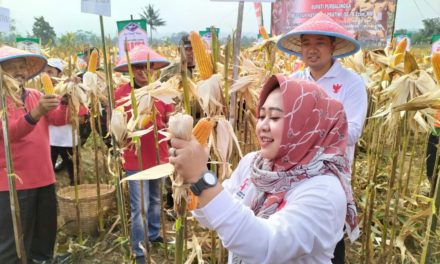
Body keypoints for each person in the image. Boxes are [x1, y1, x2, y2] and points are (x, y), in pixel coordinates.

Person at [169, 75, 358, 263]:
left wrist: (201, 177)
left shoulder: (325, 192)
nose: (262, 126)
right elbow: (213, 218)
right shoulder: (254, 164)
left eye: (275, 117)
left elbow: (264, 247)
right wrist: (191, 181)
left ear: (307, 124)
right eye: (261, 116)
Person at [277, 12, 368, 263]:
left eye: (319, 43)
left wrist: (307, 129)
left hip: (332, 175)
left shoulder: (352, 83)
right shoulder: (292, 82)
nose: (312, 50)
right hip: (293, 173)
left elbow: (352, 132)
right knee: (296, 233)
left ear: (333, 46)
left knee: (330, 240)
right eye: (307, 43)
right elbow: (282, 128)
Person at [0, 46, 69, 263]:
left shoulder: (35, 95)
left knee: (44, 235)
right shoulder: (2, 101)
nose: (20, 71)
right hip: (13, 182)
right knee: (15, 243)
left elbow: (58, 119)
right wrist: (36, 113)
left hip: (44, 176)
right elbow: (9, 133)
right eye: (12, 68)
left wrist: (67, 100)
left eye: (22, 66)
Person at [113, 44, 171, 264]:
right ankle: (139, 250)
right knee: (141, 207)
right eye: (137, 67)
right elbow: (116, 127)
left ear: (154, 68)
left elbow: (168, 120)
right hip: (134, 158)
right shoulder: (120, 94)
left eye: (147, 66)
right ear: (130, 70)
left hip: (160, 155)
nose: (142, 71)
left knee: (156, 200)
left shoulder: (163, 92)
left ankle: (154, 234)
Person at [45, 58, 87, 185]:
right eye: (44, 72)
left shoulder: (72, 92)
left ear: (60, 74)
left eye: (50, 72)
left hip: (69, 141)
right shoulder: (41, 94)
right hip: (49, 141)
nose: (47, 76)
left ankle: (77, 201)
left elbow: (81, 118)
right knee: (48, 174)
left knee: (75, 175)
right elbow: (50, 119)